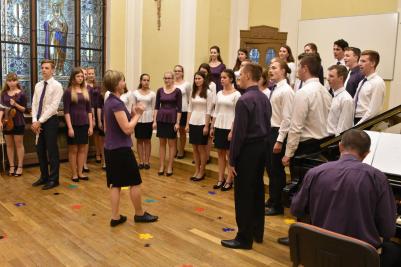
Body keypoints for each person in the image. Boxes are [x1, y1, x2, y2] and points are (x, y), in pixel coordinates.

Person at [291, 129, 401, 267]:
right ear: (367, 154)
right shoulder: (378, 178)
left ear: (340, 146)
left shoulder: (314, 172)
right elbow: (388, 230)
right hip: (359, 258)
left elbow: (296, 210)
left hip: (319, 250)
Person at [278, 53, 332, 245]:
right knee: (314, 193)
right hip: (321, 145)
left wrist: (288, 153)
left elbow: (296, 126)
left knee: (300, 193)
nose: (297, 70)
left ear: (305, 68)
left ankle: (300, 236)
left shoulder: (304, 92)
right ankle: (312, 233)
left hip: (305, 147)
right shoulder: (325, 91)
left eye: (299, 67)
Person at [221, 63, 272, 250]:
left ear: (249, 76)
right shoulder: (264, 98)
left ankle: (243, 238)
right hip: (261, 149)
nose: (238, 77)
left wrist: (232, 159)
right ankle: (257, 232)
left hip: (247, 151)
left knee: (243, 195)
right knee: (257, 192)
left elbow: (239, 134)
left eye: (241, 74)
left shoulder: (244, 100)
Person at [103, 70, 158, 227]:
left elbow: (118, 123)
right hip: (120, 149)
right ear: (116, 84)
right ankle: (139, 214)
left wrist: (133, 112)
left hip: (111, 147)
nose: (124, 83)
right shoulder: (116, 103)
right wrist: (138, 115)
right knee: (134, 182)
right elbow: (127, 129)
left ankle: (115, 217)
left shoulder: (110, 101)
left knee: (115, 183)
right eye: (122, 80)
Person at [264, 58, 294, 216]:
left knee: (277, 171)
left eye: (274, 67)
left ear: (283, 71)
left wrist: (279, 140)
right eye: (270, 67)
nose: (270, 70)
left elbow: (287, 118)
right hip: (270, 130)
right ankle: (272, 199)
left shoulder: (286, 91)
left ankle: (278, 205)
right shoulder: (274, 88)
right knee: (270, 169)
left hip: (278, 132)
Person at [31, 59, 63, 190]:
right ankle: (44, 176)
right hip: (38, 121)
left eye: (47, 68)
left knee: (52, 150)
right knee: (40, 150)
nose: (44, 70)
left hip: (50, 121)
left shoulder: (57, 86)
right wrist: (34, 121)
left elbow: (53, 106)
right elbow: (34, 104)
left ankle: (54, 179)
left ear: (53, 70)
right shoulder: (38, 85)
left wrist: (40, 121)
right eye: (43, 67)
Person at [210, 69, 241, 191]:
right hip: (219, 126)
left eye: (225, 77)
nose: (222, 79)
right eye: (221, 77)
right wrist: (212, 126)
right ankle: (220, 178)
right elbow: (216, 111)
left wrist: (232, 131)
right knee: (220, 154)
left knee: (229, 155)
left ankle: (229, 179)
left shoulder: (237, 94)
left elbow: (237, 114)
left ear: (231, 79)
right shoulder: (219, 93)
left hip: (229, 127)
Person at [63, 67, 93, 182]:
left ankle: (80, 172)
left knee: (82, 150)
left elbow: (89, 110)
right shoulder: (68, 91)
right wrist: (70, 127)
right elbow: (66, 111)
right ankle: (74, 173)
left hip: (84, 124)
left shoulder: (86, 91)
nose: (80, 78)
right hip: (73, 125)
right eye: (78, 76)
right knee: (73, 150)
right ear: (73, 78)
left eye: (82, 76)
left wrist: (90, 126)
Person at [153, 71, 182, 176]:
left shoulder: (177, 91)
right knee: (161, 143)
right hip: (161, 118)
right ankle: (161, 165)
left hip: (172, 119)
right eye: (165, 78)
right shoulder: (159, 90)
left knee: (171, 144)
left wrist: (178, 123)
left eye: (169, 78)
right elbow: (156, 107)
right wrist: (154, 120)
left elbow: (179, 108)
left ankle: (170, 166)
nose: (167, 80)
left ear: (173, 79)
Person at [186, 71, 213, 181]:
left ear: (204, 79)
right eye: (196, 79)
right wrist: (187, 123)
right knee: (194, 148)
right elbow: (190, 108)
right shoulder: (193, 91)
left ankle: (202, 171)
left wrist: (207, 126)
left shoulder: (208, 92)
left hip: (203, 122)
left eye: (199, 78)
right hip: (193, 122)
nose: (197, 80)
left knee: (201, 148)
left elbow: (209, 110)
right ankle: (196, 169)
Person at [0, 73, 27, 176]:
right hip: (6, 121)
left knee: (19, 145)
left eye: (14, 80)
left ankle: (20, 167)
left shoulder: (22, 94)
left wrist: (15, 104)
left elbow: (24, 109)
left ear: (17, 81)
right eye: (9, 81)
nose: (11, 83)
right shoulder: (4, 94)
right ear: (6, 82)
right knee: (9, 145)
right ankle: (11, 166)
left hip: (18, 122)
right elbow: (1, 108)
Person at [354, 50, 385, 125]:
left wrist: (358, 125)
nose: (359, 64)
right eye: (359, 61)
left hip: (365, 122)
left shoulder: (378, 82)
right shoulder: (363, 81)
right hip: (356, 118)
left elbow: (373, 111)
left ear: (373, 63)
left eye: (363, 61)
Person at [133, 74, 155, 169]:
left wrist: (154, 121)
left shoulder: (152, 94)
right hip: (138, 118)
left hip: (149, 118)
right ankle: (140, 161)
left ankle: (147, 161)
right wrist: (134, 119)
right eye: (144, 80)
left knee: (147, 140)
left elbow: (155, 108)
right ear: (141, 81)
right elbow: (133, 107)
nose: (146, 82)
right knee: (139, 140)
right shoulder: (135, 93)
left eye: (147, 80)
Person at [326, 65, 354, 136]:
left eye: (331, 76)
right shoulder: (333, 95)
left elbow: (344, 128)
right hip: (326, 137)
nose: (328, 79)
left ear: (341, 78)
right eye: (328, 76)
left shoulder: (346, 99)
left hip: (333, 141)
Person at [87, 66, 105, 168]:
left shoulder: (98, 86)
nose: (91, 75)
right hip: (90, 111)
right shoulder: (85, 86)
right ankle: (97, 153)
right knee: (94, 134)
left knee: (100, 134)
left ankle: (100, 154)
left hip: (99, 111)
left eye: (92, 73)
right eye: (89, 73)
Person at [174, 65, 191, 159]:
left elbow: (189, 98)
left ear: (182, 73)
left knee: (182, 131)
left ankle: (181, 150)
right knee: (174, 131)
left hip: (183, 110)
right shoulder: (171, 83)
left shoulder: (187, 84)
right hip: (173, 110)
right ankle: (175, 149)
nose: (177, 72)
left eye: (179, 71)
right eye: (175, 71)